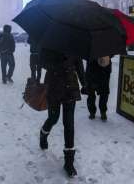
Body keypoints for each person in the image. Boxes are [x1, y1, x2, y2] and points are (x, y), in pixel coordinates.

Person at [39, 48, 85, 178]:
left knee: (69, 124)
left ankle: (69, 162)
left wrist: (85, 84)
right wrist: (57, 63)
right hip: (53, 86)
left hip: (71, 87)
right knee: (53, 118)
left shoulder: (74, 42)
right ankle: (43, 134)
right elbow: (41, 61)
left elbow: (79, 65)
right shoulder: (49, 42)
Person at [85, 56, 112, 121]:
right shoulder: (90, 49)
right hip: (93, 73)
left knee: (103, 94)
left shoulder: (107, 49)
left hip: (103, 73)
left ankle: (102, 112)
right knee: (92, 94)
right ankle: (93, 112)